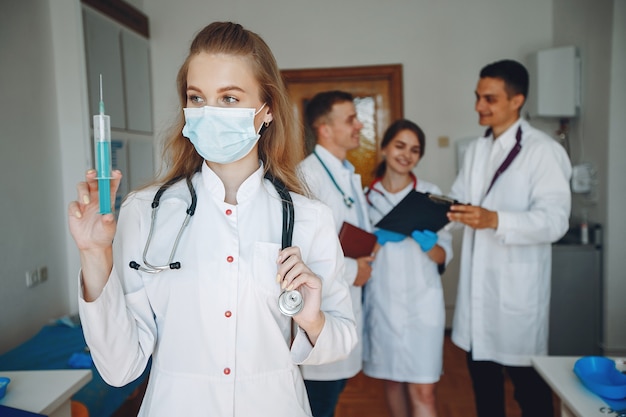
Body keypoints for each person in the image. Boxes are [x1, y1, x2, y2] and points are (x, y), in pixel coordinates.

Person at [67, 22, 357, 417]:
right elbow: (121, 369)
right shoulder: (143, 212)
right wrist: (94, 254)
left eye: (230, 98)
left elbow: (340, 342)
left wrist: (312, 318)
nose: (209, 113)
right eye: (197, 98)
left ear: (267, 109)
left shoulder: (309, 219)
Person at [447, 59, 572, 417]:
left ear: (517, 100)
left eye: (489, 99)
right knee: (484, 392)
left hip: (517, 296)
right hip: (477, 295)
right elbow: (458, 202)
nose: (478, 107)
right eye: (477, 97)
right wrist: (433, 214)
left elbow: (555, 221)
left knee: (530, 395)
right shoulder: (476, 150)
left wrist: (495, 220)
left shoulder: (543, 151)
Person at [362, 119, 453, 417]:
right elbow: (354, 257)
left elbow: (442, 257)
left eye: (414, 150)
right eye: (400, 146)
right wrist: (376, 241)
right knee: (391, 383)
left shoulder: (431, 195)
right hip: (383, 303)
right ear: (385, 147)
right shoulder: (365, 198)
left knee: (423, 389)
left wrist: (430, 245)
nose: (406, 154)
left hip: (423, 305)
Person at [298, 90, 375, 417]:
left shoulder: (346, 173)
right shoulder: (306, 176)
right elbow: (296, 253)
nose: (359, 125)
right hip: (321, 312)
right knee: (318, 404)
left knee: (331, 396)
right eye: (350, 119)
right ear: (324, 128)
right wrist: (350, 269)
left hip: (347, 303)